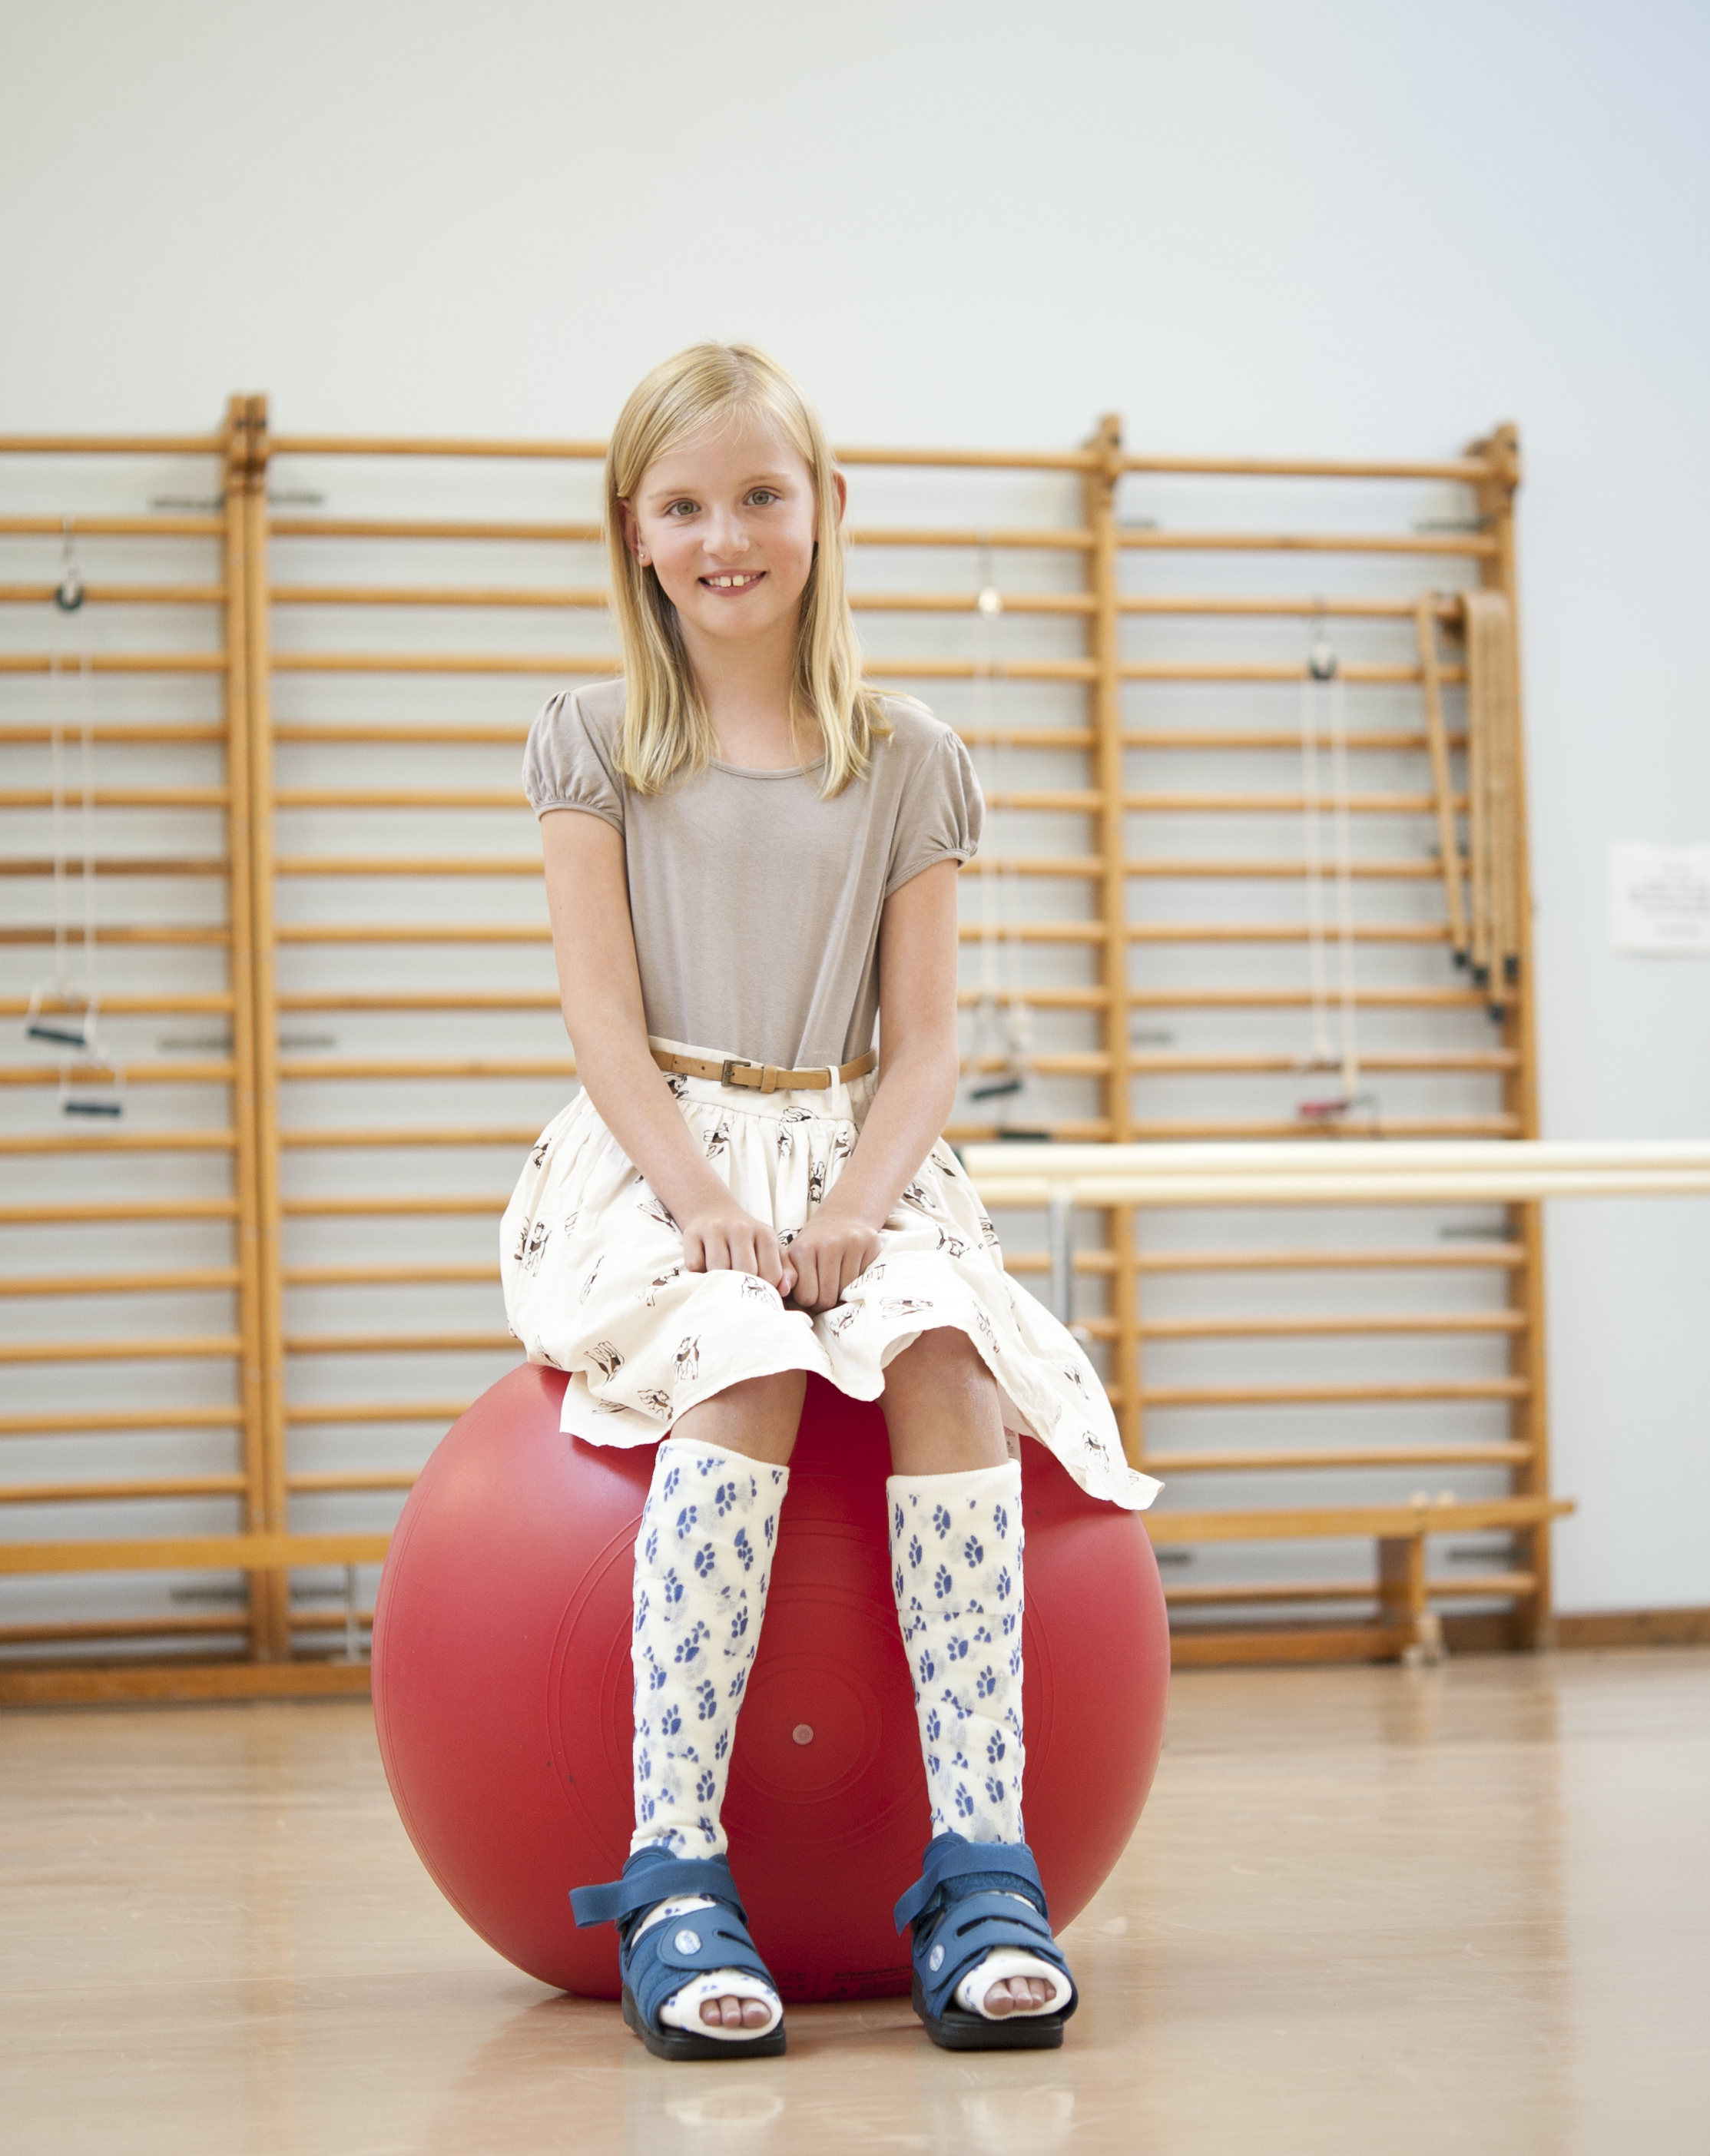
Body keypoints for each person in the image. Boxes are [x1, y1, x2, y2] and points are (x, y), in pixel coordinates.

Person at [502, 342, 1162, 2061]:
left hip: (861, 1151)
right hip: (658, 1156)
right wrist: (704, 1198)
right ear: (635, 534)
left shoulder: (911, 756)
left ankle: (981, 1863)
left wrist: (863, 1208)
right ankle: (672, 1869)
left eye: (762, 496)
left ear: (828, 510)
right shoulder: (589, 745)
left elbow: (929, 1045)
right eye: (687, 505)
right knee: (743, 1353)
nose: (729, 535)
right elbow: (599, 1022)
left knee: (948, 1354)